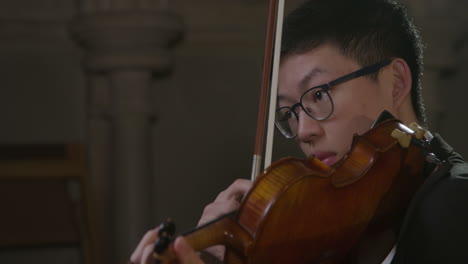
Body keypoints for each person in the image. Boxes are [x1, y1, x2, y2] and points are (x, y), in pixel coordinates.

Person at [130, 0, 468, 263]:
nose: (303, 131)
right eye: (289, 112)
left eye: (319, 95)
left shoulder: (454, 203)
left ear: (395, 82)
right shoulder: (332, 229)